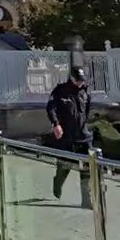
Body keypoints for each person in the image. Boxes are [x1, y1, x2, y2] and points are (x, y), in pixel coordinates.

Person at [46, 66, 94, 207]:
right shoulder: (60, 91)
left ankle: (86, 200)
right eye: (78, 80)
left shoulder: (86, 92)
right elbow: (51, 108)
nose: (80, 83)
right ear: (72, 78)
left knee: (86, 169)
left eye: (82, 81)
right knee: (64, 167)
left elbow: (86, 112)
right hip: (67, 135)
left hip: (83, 136)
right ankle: (58, 182)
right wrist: (56, 124)